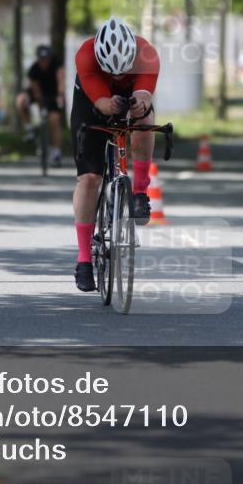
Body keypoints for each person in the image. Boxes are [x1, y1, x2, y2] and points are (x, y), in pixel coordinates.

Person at [71, 17, 160, 293]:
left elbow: (144, 95)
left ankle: (140, 192)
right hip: (92, 102)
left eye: (124, 72)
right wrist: (110, 104)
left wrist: (139, 104)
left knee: (145, 121)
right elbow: (102, 103)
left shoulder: (147, 55)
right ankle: (84, 259)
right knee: (89, 179)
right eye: (114, 73)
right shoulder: (86, 56)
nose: (119, 77)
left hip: (132, 96)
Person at [16, 45, 65, 166]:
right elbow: (36, 90)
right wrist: (41, 107)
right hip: (38, 93)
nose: (44, 62)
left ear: (50, 58)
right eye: (41, 59)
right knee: (21, 100)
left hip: (53, 94)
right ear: (38, 58)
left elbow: (61, 82)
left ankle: (56, 151)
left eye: (46, 59)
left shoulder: (57, 66)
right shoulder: (34, 69)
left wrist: (60, 95)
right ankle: (30, 129)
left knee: (54, 119)